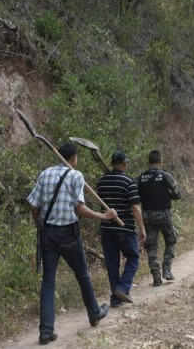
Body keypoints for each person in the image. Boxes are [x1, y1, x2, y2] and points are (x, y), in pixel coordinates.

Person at [27, 142, 117, 345]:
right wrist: (104, 216)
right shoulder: (75, 175)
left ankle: (45, 331)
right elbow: (80, 209)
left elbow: (34, 204)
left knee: (48, 281)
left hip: (48, 233)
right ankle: (94, 313)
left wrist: (38, 224)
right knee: (82, 274)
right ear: (74, 158)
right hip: (68, 233)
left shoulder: (45, 174)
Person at [97, 151, 146, 308]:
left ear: (112, 164)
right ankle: (122, 287)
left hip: (106, 228)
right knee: (133, 257)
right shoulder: (129, 181)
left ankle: (116, 298)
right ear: (125, 164)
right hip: (124, 228)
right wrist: (142, 228)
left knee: (112, 263)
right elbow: (135, 207)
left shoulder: (101, 181)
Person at [136, 150, 181, 287]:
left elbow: (135, 196)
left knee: (151, 245)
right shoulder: (165, 176)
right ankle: (166, 270)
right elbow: (177, 194)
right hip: (163, 214)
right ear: (160, 161)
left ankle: (156, 276)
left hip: (147, 216)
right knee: (171, 239)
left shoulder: (141, 178)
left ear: (149, 162)